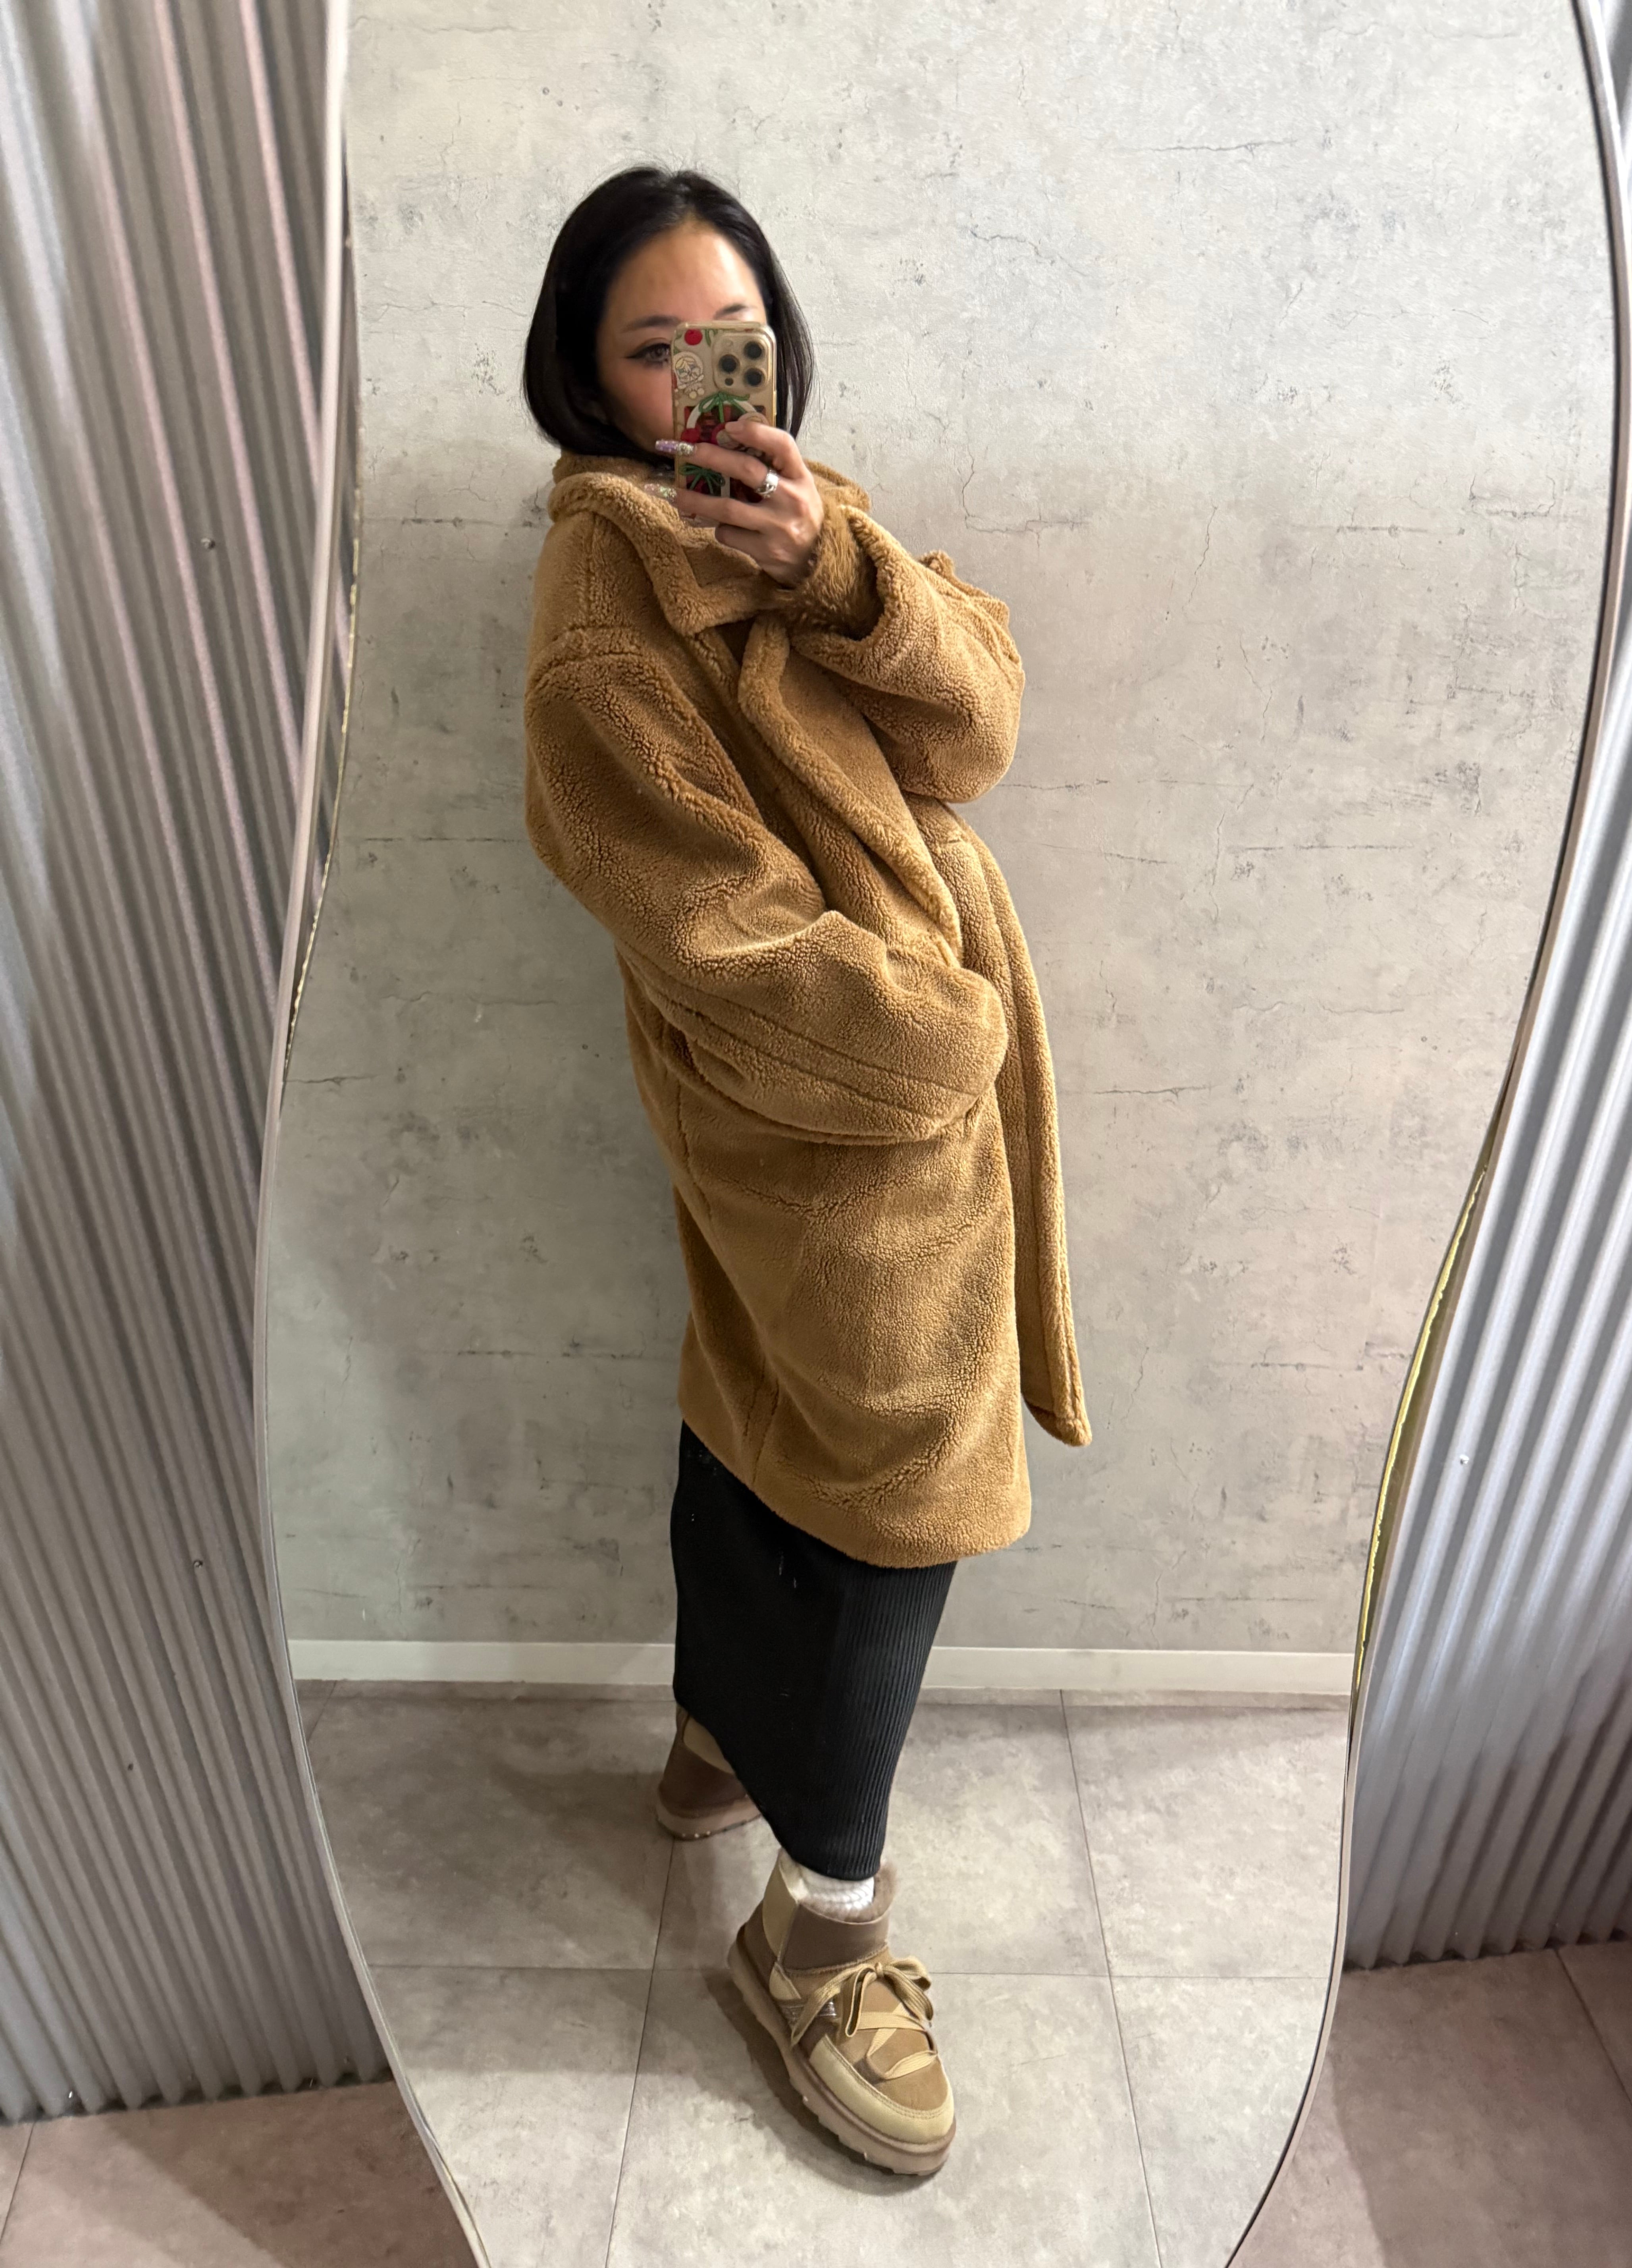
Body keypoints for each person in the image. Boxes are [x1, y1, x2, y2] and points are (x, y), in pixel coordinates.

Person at [520, 166, 1089, 2176]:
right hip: (828, 1101)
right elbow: (708, 919)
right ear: (586, 378)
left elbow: (981, 724)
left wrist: (843, 568)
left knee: (757, 1407)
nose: (707, 381)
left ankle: (712, 1744)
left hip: (857, 1092)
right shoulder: (606, 619)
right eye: (655, 348)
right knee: (899, 1494)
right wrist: (935, 1039)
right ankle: (819, 1928)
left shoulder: (790, 516)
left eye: (733, 339)